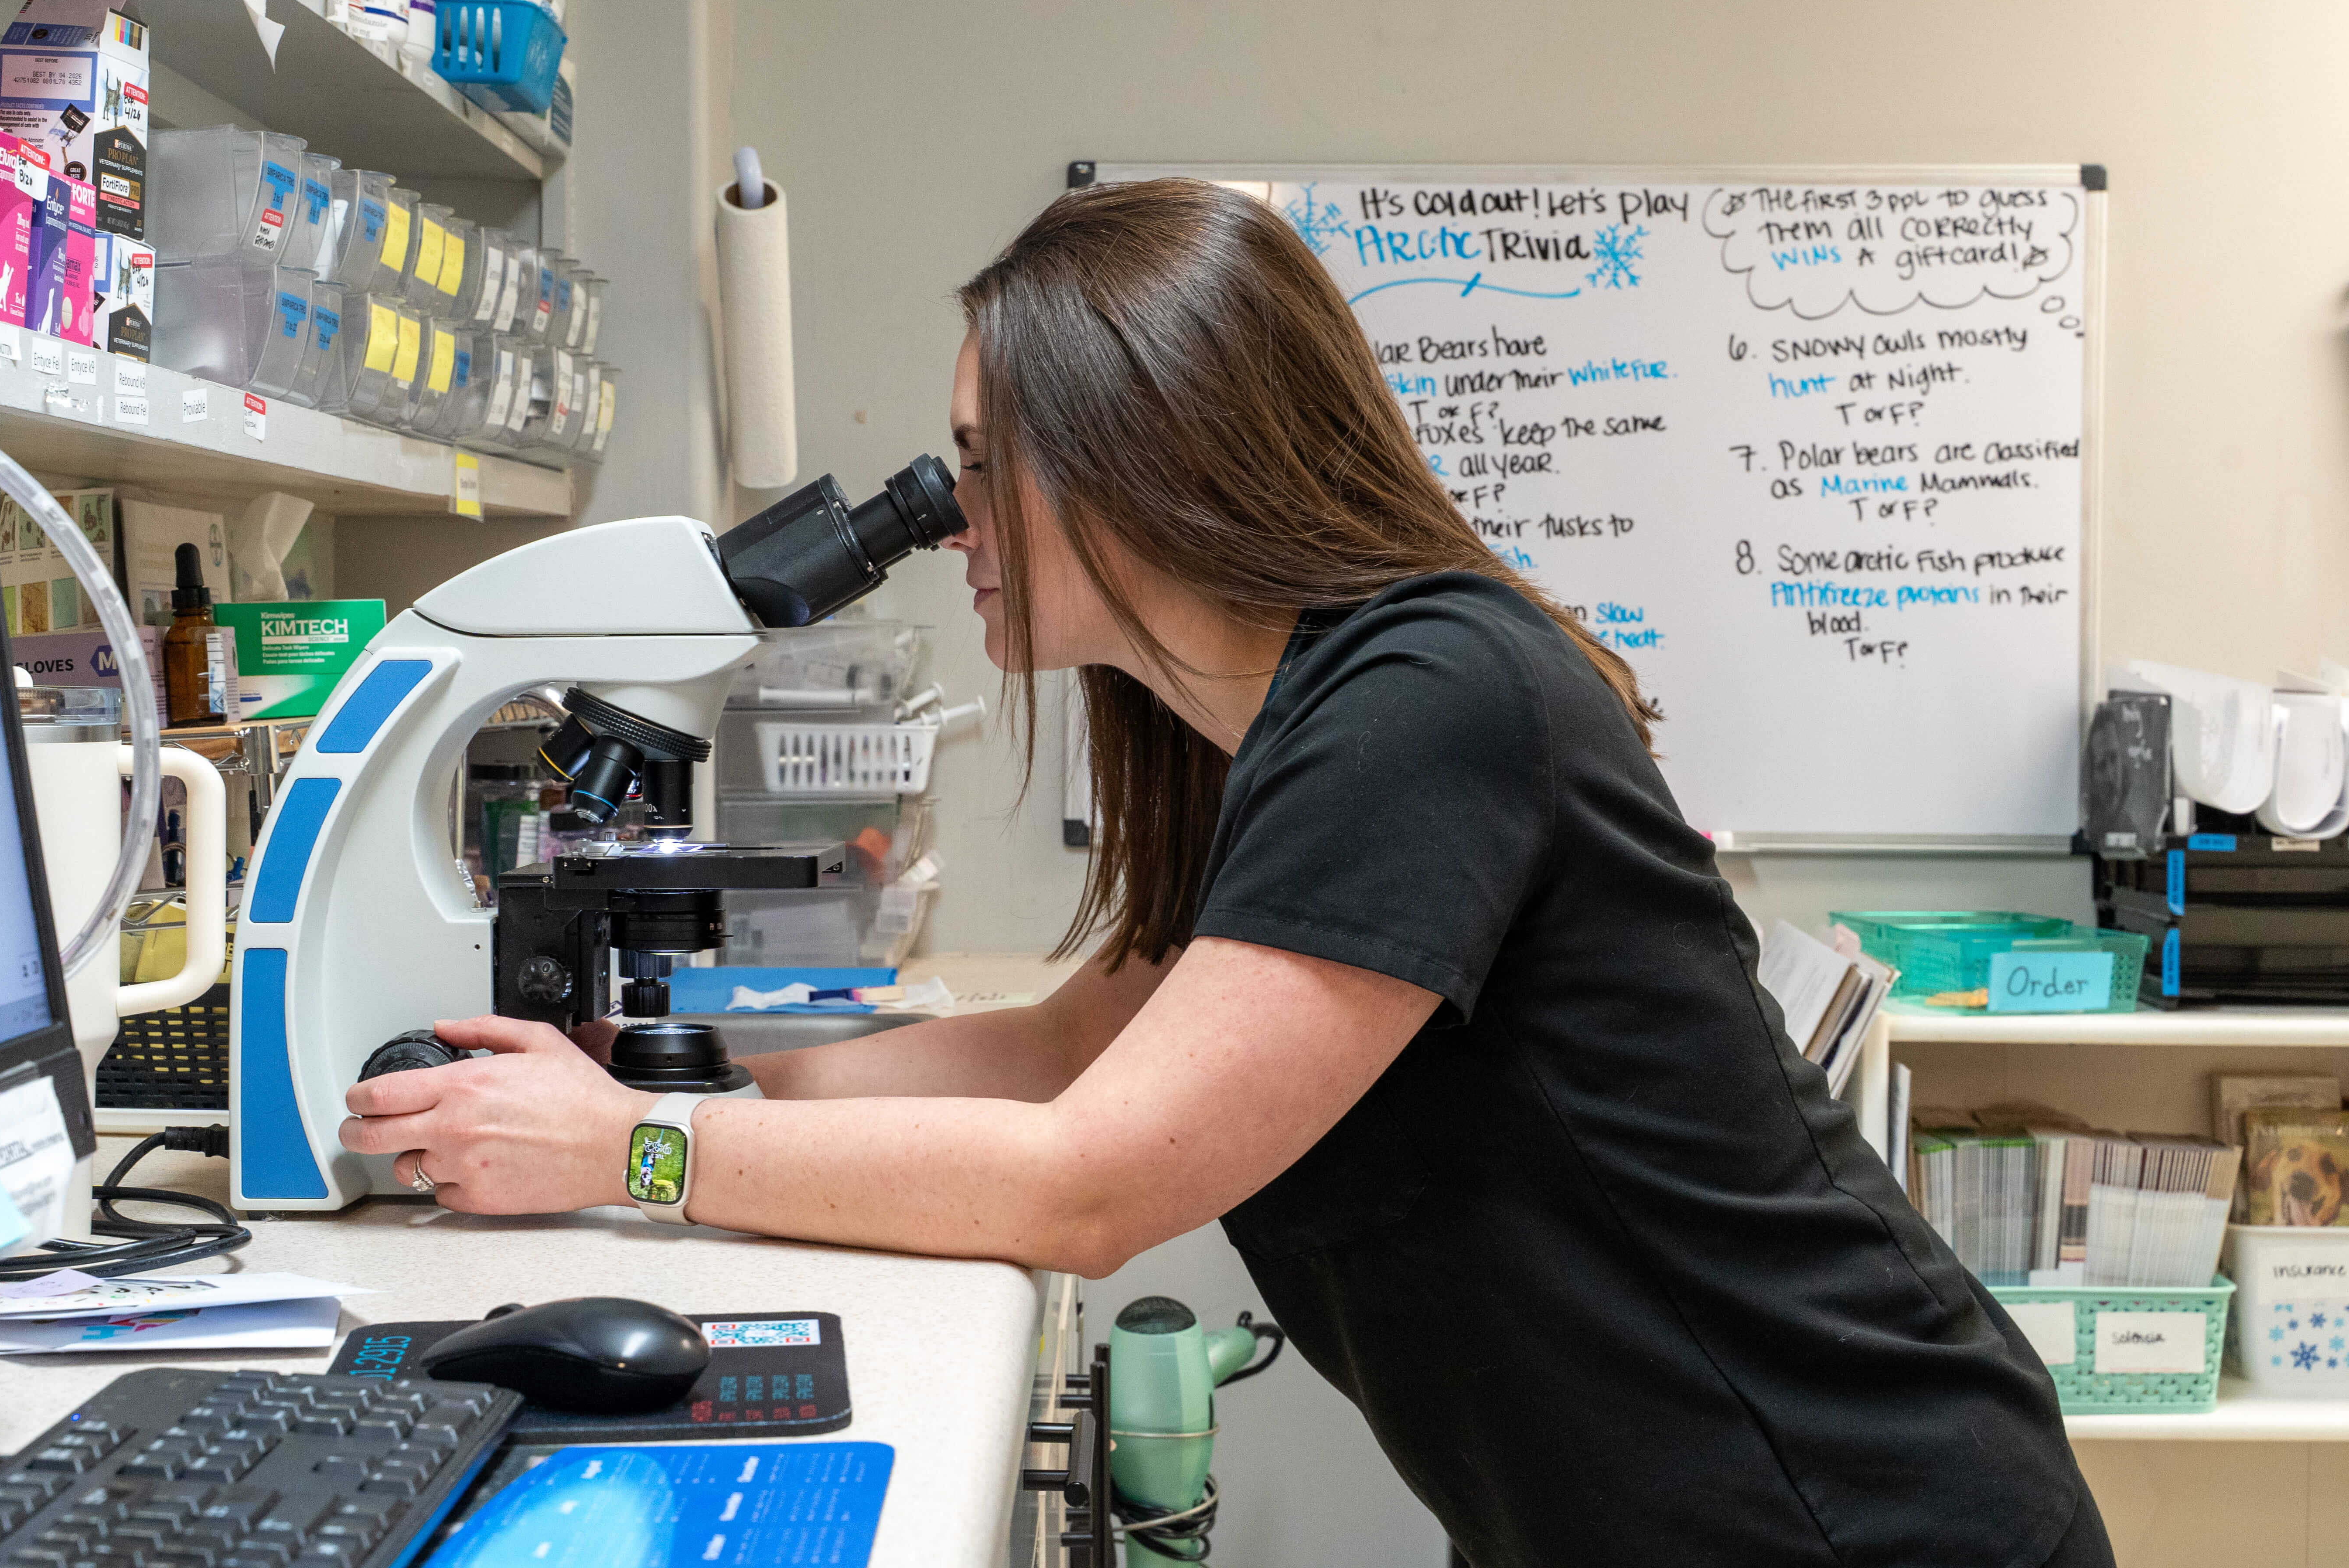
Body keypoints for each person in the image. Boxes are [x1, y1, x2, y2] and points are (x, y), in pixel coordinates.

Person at [342, 178, 2110, 1567]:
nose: (949, 527)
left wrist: (641, 1151)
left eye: (981, 469)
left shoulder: (1433, 698)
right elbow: (1065, 1049)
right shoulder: (1259, 726)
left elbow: (1090, 1181)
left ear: (1141, 451)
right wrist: (682, 1082)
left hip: (1847, 1513)